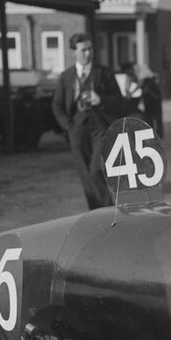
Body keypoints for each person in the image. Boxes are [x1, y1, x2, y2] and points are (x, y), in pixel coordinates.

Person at [52, 33, 125, 210]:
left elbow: (120, 101)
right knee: (86, 175)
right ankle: (97, 214)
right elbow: (56, 105)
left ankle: (106, 212)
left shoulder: (104, 73)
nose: (88, 53)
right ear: (74, 52)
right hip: (76, 129)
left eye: (90, 49)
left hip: (100, 128)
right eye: (83, 50)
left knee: (96, 170)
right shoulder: (66, 77)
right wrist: (67, 126)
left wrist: (100, 99)